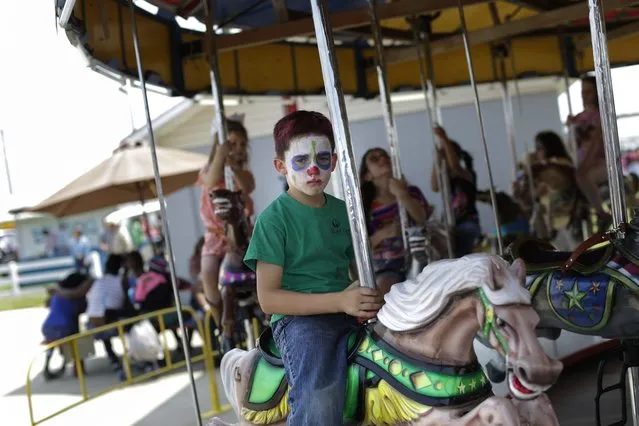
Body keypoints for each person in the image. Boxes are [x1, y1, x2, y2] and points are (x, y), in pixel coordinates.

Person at [243, 110, 384, 425]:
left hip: (346, 313)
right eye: (301, 162)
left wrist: (363, 291)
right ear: (281, 166)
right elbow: (269, 298)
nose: (313, 169)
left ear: (334, 162)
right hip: (300, 323)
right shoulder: (273, 220)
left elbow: (358, 268)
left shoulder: (345, 212)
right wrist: (339, 300)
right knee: (320, 394)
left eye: (322, 159)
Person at [198, 119, 255, 345]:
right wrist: (221, 157)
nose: (238, 149)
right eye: (233, 143)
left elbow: (247, 187)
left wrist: (233, 166)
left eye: (242, 144)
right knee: (208, 273)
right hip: (214, 236)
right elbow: (211, 180)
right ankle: (220, 322)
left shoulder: (243, 175)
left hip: (238, 235)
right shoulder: (208, 172)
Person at [359, 147, 432, 294]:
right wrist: (383, 234)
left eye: (385, 156)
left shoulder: (411, 192)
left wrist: (402, 195)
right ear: (367, 175)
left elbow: (422, 218)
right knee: (385, 292)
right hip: (385, 265)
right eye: (375, 159)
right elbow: (361, 248)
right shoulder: (364, 206)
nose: (382, 159)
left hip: (418, 256)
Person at [567, 75, 611, 229]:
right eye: (582, 92)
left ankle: (602, 214)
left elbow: (596, 141)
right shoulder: (578, 118)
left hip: (601, 162)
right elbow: (572, 145)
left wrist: (586, 164)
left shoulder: (601, 115)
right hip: (583, 163)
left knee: (582, 177)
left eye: (589, 92)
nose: (584, 96)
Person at [430, 126, 481, 257]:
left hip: (467, 222)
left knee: (462, 252)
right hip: (450, 223)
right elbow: (434, 187)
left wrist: (444, 139)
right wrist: (437, 160)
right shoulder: (445, 178)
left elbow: (455, 166)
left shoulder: (467, 174)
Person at [85, 254, 126, 368]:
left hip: (92, 324)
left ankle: (112, 357)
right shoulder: (121, 281)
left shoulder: (98, 282)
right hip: (110, 324)